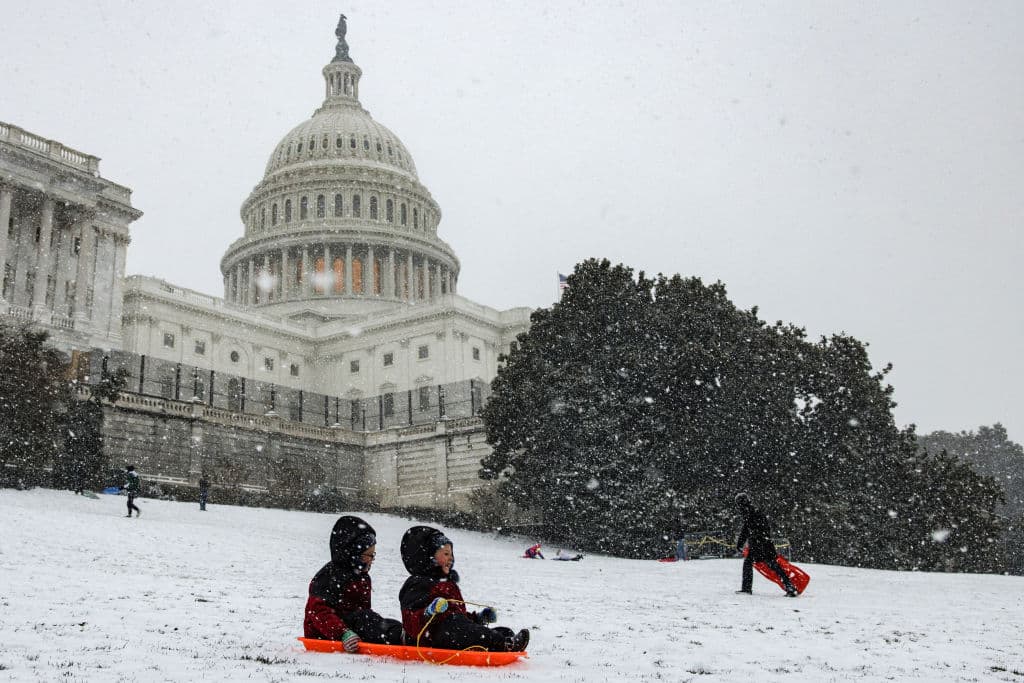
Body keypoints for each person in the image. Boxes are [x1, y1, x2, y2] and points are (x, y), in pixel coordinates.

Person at [398, 525, 529, 652]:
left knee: (503, 631)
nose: (451, 558)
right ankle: (504, 644)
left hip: (451, 633)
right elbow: (410, 621)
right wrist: (429, 612)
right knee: (457, 627)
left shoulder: (449, 585)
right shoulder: (418, 583)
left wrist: (479, 618)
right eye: (446, 553)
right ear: (429, 557)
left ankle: (503, 640)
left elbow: (457, 616)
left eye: (451, 554)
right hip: (428, 638)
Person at [304, 515, 406, 650]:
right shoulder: (330, 576)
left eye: (373, 555)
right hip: (325, 633)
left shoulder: (361, 577)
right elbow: (317, 611)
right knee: (366, 620)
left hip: (354, 626)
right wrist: (342, 633)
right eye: (368, 555)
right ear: (353, 552)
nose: (371, 559)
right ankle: (396, 637)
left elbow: (363, 612)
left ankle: (400, 634)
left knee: (378, 622)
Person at [734, 492, 797, 597]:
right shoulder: (752, 512)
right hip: (764, 544)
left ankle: (747, 588)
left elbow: (749, 529)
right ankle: (789, 586)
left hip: (759, 544)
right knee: (773, 565)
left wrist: (748, 541)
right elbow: (749, 529)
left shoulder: (751, 513)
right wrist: (742, 543)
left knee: (752, 564)